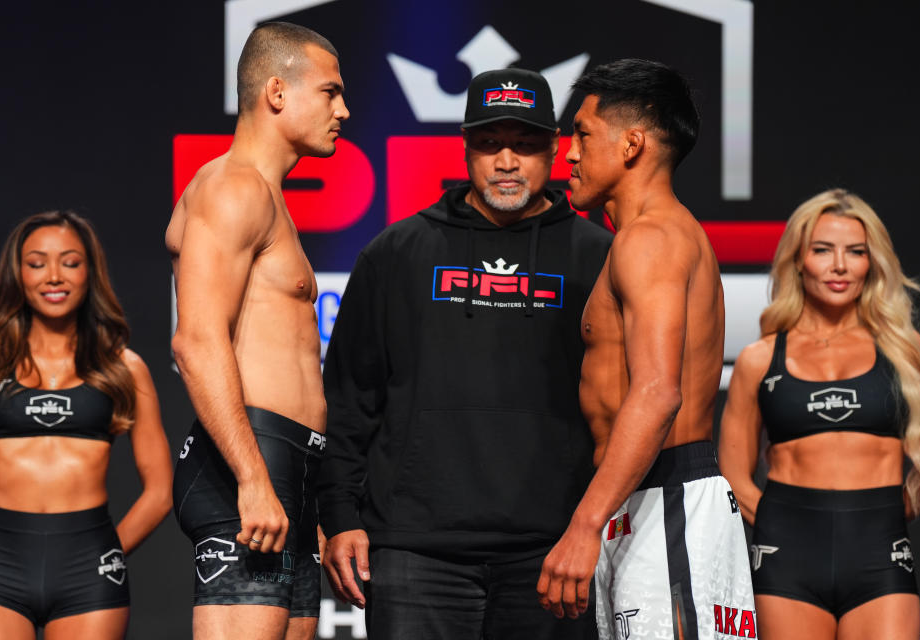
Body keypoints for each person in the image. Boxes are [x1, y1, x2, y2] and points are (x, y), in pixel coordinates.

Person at [318, 68, 612, 639]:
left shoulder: (599, 257)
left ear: (554, 147)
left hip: (554, 550)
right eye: (490, 144)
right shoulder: (396, 253)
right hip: (414, 549)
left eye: (525, 144)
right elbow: (351, 395)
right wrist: (339, 516)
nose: (507, 161)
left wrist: (594, 526)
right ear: (465, 147)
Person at [536, 59, 756, 639]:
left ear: (632, 144)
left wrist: (584, 525)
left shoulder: (651, 238)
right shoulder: (648, 237)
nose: (569, 155)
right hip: (642, 500)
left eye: (582, 135)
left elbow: (658, 393)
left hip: (671, 500)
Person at [166, 22, 347, 640]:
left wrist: (305, 494)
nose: (342, 111)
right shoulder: (233, 186)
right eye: (330, 92)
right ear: (277, 92)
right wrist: (251, 478)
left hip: (289, 466)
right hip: (249, 463)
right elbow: (194, 340)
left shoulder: (267, 196)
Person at [717, 189, 920, 640]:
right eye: (823, 250)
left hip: (880, 558)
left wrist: (882, 517)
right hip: (786, 560)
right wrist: (785, 524)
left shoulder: (906, 351)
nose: (840, 266)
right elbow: (732, 476)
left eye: (855, 252)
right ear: (798, 260)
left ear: (872, 263)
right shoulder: (758, 359)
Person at [0, 210, 172, 640]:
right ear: (18, 273)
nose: (53, 276)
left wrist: (109, 554)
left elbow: (161, 490)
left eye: (70, 262)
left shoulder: (124, 368)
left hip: (88, 570)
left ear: (90, 271)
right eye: (37, 263)